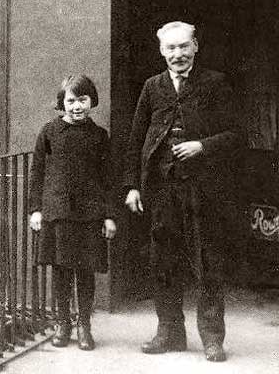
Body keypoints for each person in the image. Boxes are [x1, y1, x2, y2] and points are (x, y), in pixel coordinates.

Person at [123, 21, 242, 363]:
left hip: (203, 191)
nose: (177, 54)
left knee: (207, 262)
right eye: (170, 48)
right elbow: (135, 140)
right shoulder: (152, 87)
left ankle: (212, 338)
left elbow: (237, 134)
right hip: (161, 190)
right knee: (163, 262)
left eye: (183, 46)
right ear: (161, 51)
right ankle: (169, 333)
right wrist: (131, 185)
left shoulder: (215, 83)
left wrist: (202, 146)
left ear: (195, 47)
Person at [29, 74, 117, 351]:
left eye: (83, 99)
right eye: (71, 100)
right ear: (61, 102)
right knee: (61, 271)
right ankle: (63, 323)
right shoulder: (49, 133)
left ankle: (84, 327)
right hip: (58, 213)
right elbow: (37, 174)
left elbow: (108, 179)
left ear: (92, 101)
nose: (77, 106)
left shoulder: (99, 136)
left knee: (85, 272)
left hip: (90, 214)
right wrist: (36, 210)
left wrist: (109, 215)